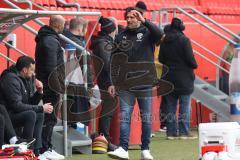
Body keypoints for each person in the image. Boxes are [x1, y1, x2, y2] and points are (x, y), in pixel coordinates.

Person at [108, 8, 163, 160]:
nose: (131, 19)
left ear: (139, 18)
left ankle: (145, 149)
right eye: (128, 17)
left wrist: (145, 20)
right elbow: (114, 61)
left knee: (146, 119)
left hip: (145, 83)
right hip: (126, 85)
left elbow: (160, 34)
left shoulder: (147, 33)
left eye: (134, 16)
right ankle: (123, 149)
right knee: (125, 117)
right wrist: (112, 82)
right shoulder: (120, 36)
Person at [0, 56, 53, 157]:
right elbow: (17, 106)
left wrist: (39, 92)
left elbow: (28, 103)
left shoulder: (24, 78)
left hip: (14, 113)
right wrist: (41, 107)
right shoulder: (10, 79)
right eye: (32, 70)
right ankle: (27, 150)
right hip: (8, 116)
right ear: (24, 70)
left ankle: (36, 153)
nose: (33, 73)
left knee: (39, 115)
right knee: (31, 114)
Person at [159, 18, 198, 140]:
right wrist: (194, 65)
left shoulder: (164, 41)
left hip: (169, 77)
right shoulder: (184, 40)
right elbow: (191, 60)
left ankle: (170, 133)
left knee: (170, 105)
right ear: (181, 27)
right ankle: (184, 132)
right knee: (184, 105)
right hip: (184, 78)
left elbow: (161, 59)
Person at [35, 15, 65, 159]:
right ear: (59, 25)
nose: (64, 28)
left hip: (47, 83)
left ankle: (45, 147)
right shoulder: (50, 41)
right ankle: (44, 149)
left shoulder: (46, 38)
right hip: (51, 85)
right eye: (63, 25)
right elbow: (51, 67)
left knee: (49, 118)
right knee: (50, 118)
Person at [90, 16, 118, 151]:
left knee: (108, 110)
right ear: (111, 30)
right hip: (108, 82)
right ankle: (104, 139)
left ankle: (104, 139)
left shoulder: (103, 42)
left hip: (107, 81)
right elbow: (108, 65)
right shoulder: (103, 43)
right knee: (108, 110)